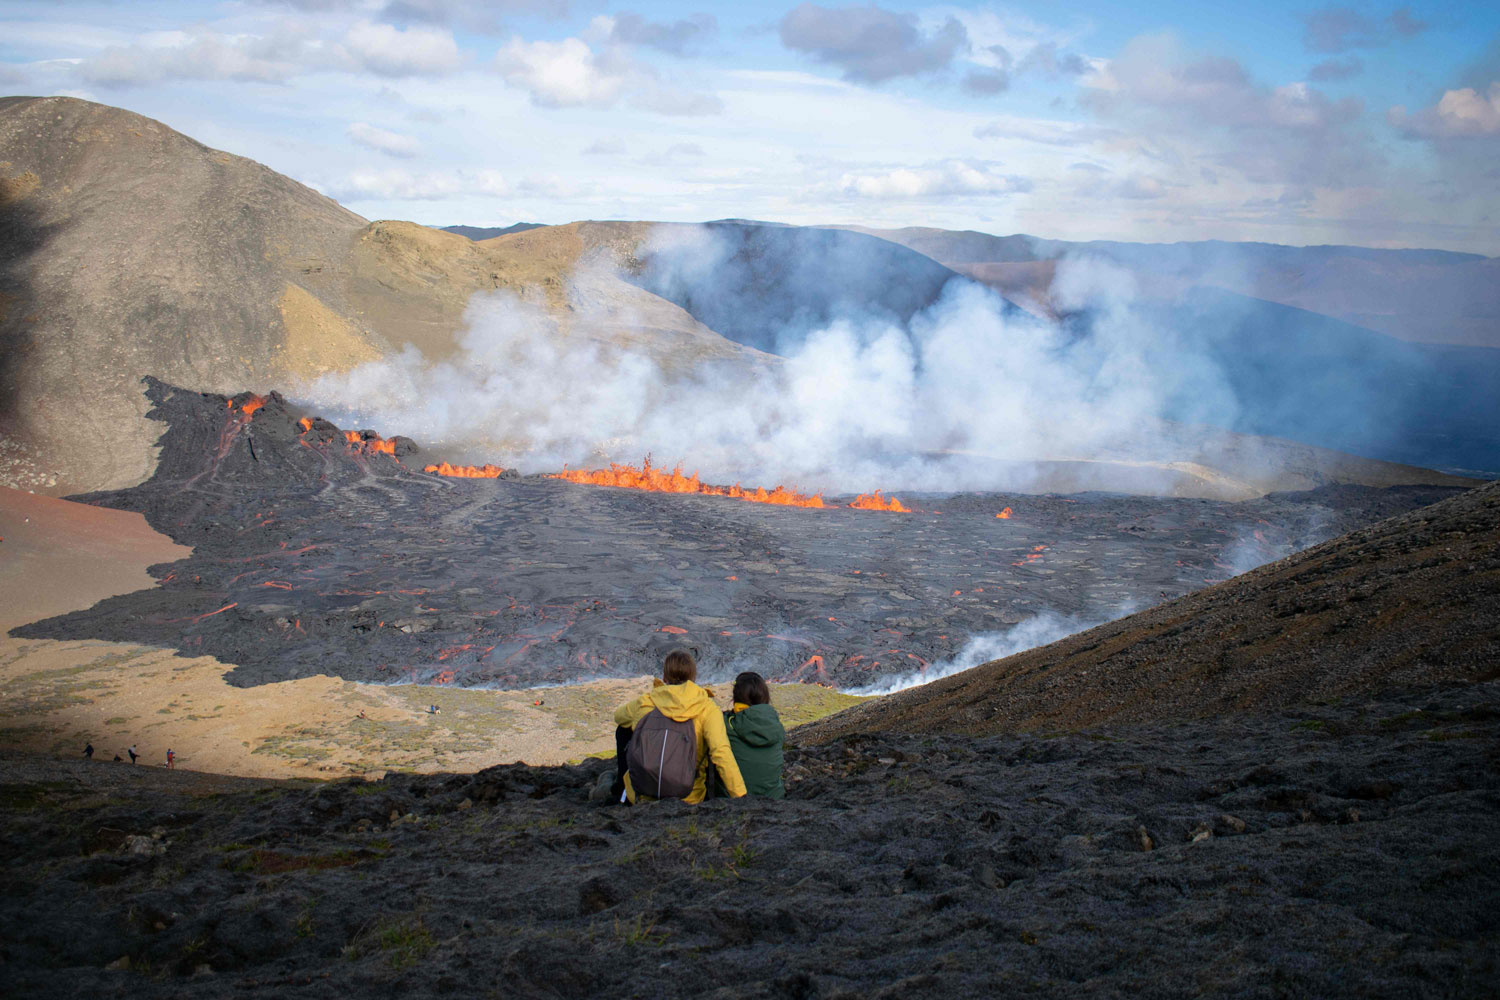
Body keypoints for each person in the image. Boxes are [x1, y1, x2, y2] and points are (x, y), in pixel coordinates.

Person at [613, 649, 746, 805]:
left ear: (664, 676)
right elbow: (721, 753)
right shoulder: (707, 708)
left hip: (643, 794)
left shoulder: (647, 702)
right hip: (689, 797)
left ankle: (620, 789)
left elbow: (619, 717)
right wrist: (741, 798)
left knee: (623, 730)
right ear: (693, 677)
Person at [714, 672, 786, 799]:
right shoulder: (776, 726)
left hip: (732, 800)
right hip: (774, 798)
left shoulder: (724, 725)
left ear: (736, 698)